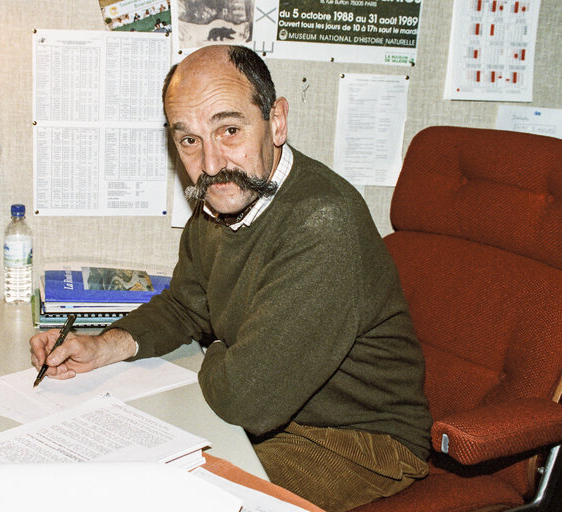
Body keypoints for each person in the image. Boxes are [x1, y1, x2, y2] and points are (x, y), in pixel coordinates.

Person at [30, 44, 432, 512]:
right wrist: (105, 345)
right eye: (189, 140)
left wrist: (220, 349)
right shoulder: (223, 199)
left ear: (276, 122)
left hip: (358, 442)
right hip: (276, 415)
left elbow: (248, 399)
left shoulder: (321, 222)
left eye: (230, 130)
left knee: (178, 501)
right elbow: (185, 304)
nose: (212, 163)